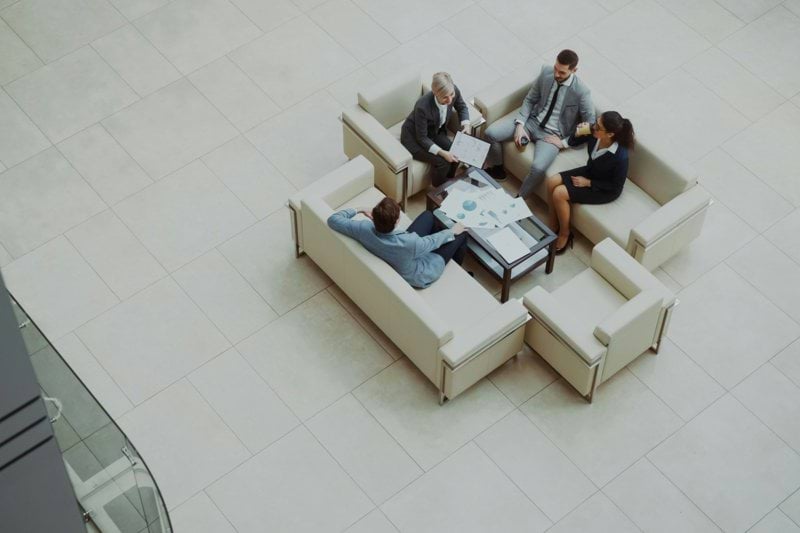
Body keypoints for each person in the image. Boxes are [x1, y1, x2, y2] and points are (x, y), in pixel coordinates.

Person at [483, 50, 595, 198]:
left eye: (562, 72)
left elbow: (591, 124)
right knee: (490, 133)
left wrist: (565, 142)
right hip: (531, 121)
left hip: (552, 135)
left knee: (538, 167)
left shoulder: (582, 92)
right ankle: (497, 170)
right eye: (555, 68)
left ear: (574, 70)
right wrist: (520, 125)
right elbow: (530, 99)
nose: (556, 74)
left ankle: (519, 199)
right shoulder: (546, 73)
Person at [544, 111, 635, 254]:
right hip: (591, 171)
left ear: (610, 134)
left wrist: (589, 183)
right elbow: (574, 141)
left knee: (559, 193)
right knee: (552, 181)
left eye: (598, 127)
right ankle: (552, 223)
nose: (594, 127)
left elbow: (616, 187)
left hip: (604, 188)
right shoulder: (594, 133)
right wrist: (578, 133)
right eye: (596, 122)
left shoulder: (620, 157)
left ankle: (565, 234)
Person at [327, 198, 468, 288]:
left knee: (428, 215)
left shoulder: (362, 228)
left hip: (399, 253)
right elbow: (431, 242)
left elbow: (333, 219)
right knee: (461, 235)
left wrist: (360, 208)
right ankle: (455, 267)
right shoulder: (410, 243)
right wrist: (452, 231)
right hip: (418, 272)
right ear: (396, 222)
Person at [401, 72, 472, 187]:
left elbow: (462, 107)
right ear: (435, 93)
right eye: (445, 97)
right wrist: (443, 153)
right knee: (443, 162)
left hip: (434, 132)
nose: (449, 100)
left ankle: (449, 181)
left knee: (456, 154)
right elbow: (422, 138)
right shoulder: (422, 107)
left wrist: (466, 124)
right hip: (414, 139)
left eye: (451, 94)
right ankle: (439, 190)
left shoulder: (453, 91)